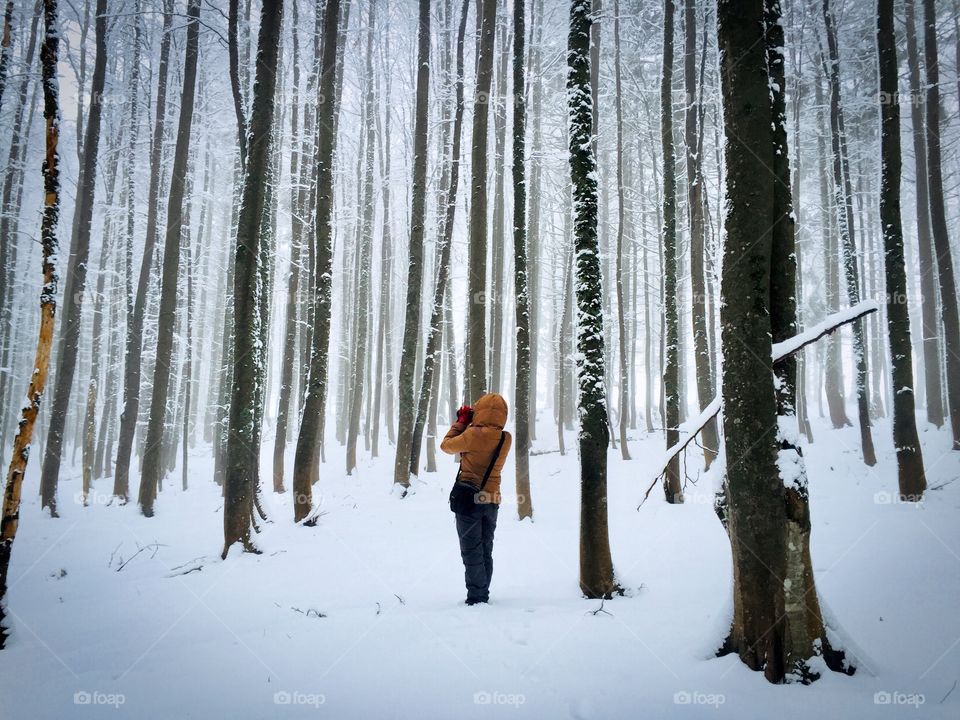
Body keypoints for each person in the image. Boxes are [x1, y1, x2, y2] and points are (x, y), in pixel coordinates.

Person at [440, 393, 513, 605]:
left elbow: (446, 446)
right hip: (491, 500)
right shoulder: (505, 438)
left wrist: (462, 422)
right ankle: (482, 592)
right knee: (485, 549)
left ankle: (477, 597)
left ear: (479, 411)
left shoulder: (472, 434)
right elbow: (487, 438)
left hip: (469, 499)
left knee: (471, 551)